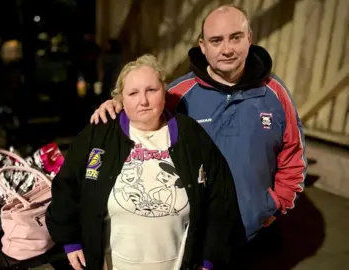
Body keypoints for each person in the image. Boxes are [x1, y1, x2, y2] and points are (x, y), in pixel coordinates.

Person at [90, 4, 307, 243]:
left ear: (249, 39)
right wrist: (117, 104)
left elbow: (292, 154)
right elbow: (142, 110)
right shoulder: (179, 94)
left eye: (235, 38)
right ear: (203, 46)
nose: (227, 49)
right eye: (216, 41)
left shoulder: (275, 94)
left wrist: (276, 203)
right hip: (192, 234)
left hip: (254, 232)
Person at [46, 54, 245, 270]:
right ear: (120, 99)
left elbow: (220, 200)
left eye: (152, 90)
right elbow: (66, 186)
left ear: (164, 91)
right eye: (133, 93)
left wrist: (209, 259)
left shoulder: (192, 136)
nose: (144, 101)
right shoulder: (99, 134)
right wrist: (70, 240)